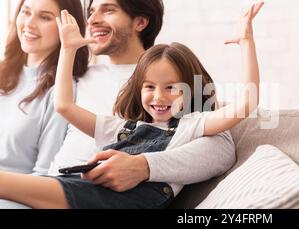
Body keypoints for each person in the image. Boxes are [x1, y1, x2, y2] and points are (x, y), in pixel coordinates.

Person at [0, 2, 264, 209]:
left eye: (170, 88)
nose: (158, 97)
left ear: (140, 21)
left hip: (123, 197)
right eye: (149, 87)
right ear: (138, 89)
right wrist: (68, 50)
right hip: (77, 184)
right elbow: (64, 107)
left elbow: (239, 115)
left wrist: (246, 43)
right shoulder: (122, 123)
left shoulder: (190, 121)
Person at [0, 0, 89, 175]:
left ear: (68, 27)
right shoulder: (4, 73)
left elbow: (43, 175)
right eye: (25, 12)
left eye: (45, 17)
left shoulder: (61, 92)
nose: (29, 24)